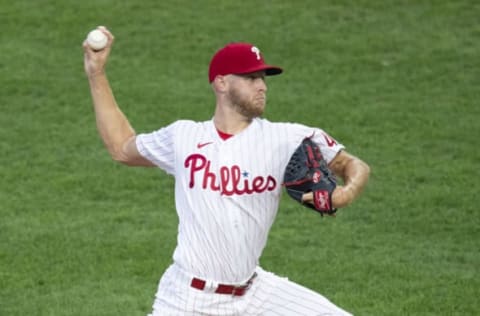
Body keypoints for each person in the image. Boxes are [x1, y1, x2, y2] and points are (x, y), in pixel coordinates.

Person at [83, 26, 370, 316]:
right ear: (221, 82)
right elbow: (121, 147)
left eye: (262, 78)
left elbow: (352, 165)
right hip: (187, 299)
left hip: (255, 292)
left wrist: (345, 193)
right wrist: (96, 73)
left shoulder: (286, 138)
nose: (262, 86)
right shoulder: (183, 137)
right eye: (251, 78)